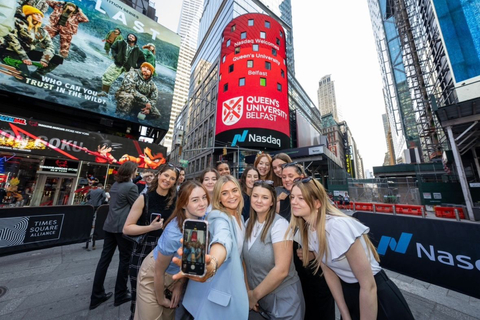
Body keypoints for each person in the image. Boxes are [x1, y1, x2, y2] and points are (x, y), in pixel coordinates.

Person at [288, 177, 415, 320]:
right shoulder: (308, 230)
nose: (294, 202)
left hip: (376, 296)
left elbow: (369, 286)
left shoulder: (338, 226)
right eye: (292, 197)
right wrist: (345, 314)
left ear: (317, 203)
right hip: (350, 294)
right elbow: (330, 274)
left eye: (301, 198)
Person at [172, 175, 248, 319]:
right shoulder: (218, 216)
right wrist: (212, 263)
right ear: (218, 198)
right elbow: (222, 240)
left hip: (230, 291)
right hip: (215, 296)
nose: (231, 196)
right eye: (224, 193)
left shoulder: (241, 218)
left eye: (234, 190)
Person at [134, 181, 209, 320]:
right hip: (153, 277)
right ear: (183, 204)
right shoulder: (173, 233)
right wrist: (161, 298)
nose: (202, 203)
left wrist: (179, 284)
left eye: (204, 197)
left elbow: (190, 260)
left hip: (174, 277)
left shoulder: (201, 220)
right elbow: (158, 271)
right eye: (195, 200)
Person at [276, 163, 335, 320]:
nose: (287, 180)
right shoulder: (282, 201)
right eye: (284, 177)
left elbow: (332, 239)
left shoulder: (317, 201)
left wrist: (314, 254)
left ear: (301, 177)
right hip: (298, 272)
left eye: (291, 176)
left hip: (318, 272)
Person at [123, 163, 179, 319]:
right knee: (140, 300)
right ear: (159, 175)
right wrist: (150, 227)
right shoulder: (144, 198)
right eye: (165, 175)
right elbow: (127, 228)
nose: (167, 180)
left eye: (172, 178)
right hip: (144, 251)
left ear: (175, 182)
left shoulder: (176, 201)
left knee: (164, 297)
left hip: (168, 254)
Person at [243, 180, 305, 320]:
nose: (259, 200)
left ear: (272, 202)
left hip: (284, 301)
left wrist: (254, 295)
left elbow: (282, 270)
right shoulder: (248, 224)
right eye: (255, 196)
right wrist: (249, 292)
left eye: (265, 197)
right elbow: (245, 262)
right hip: (259, 301)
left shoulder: (280, 225)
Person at [90, 161, 138, 310]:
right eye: (136, 171)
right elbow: (138, 205)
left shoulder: (116, 185)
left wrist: (141, 176)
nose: (136, 173)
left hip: (109, 227)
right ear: (131, 171)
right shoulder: (131, 187)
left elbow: (128, 186)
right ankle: (121, 294)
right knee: (125, 261)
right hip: (122, 228)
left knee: (104, 260)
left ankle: (96, 296)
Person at [0, 5, 55, 77]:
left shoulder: (42, 32)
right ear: (30, 15)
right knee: (23, 75)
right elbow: (11, 38)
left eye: (41, 15)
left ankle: (38, 74)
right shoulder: (17, 22)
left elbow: (50, 46)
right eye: (36, 14)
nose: (39, 16)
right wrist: (24, 57)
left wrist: (45, 59)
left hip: (26, 52)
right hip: (9, 50)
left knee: (57, 59)